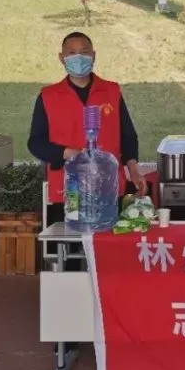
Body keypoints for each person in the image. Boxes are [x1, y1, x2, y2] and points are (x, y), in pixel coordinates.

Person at [27, 31, 147, 226]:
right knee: (72, 239)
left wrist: (133, 169)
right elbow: (36, 142)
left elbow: (127, 135)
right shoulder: (49, 96)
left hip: (108, 187)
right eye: (72, 53)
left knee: (108, 239)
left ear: (94, 55)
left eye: (84, 52)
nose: (79, 57)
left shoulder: (111, 91)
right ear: (62, 58)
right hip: (69, 189)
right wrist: (69, 153)